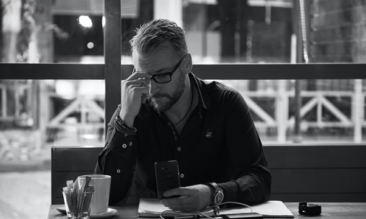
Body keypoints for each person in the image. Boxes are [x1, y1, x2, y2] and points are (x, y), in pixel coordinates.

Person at [95, 19, 271, 212]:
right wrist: (125, 119)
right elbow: (108, 195)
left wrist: (213, 194)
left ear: (186, 64)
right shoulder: (132, 108)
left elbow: (259, 180)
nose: (152, 88)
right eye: (143, 77)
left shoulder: (225, 103)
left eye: (162, 75)